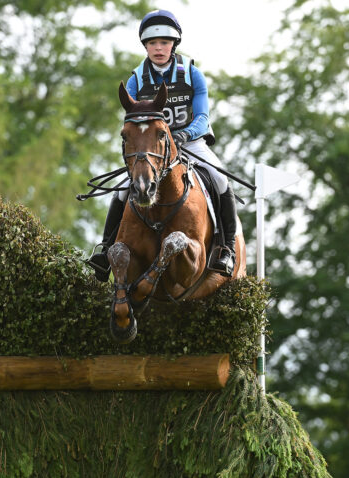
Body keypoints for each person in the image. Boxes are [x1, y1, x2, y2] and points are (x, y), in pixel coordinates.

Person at [87, 9, 239, 281]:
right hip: (153, 149)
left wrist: (183, 135)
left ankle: (227, 250)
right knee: (123, 189)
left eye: (164, 43)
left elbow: (203, 117)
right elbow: (132, 120)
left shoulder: (192, 75)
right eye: (153, 43)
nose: (159, 48)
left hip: (190, 142)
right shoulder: (136, 79)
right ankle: (105, 250)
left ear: (173, 45)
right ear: (145, 46)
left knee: (219, 179)